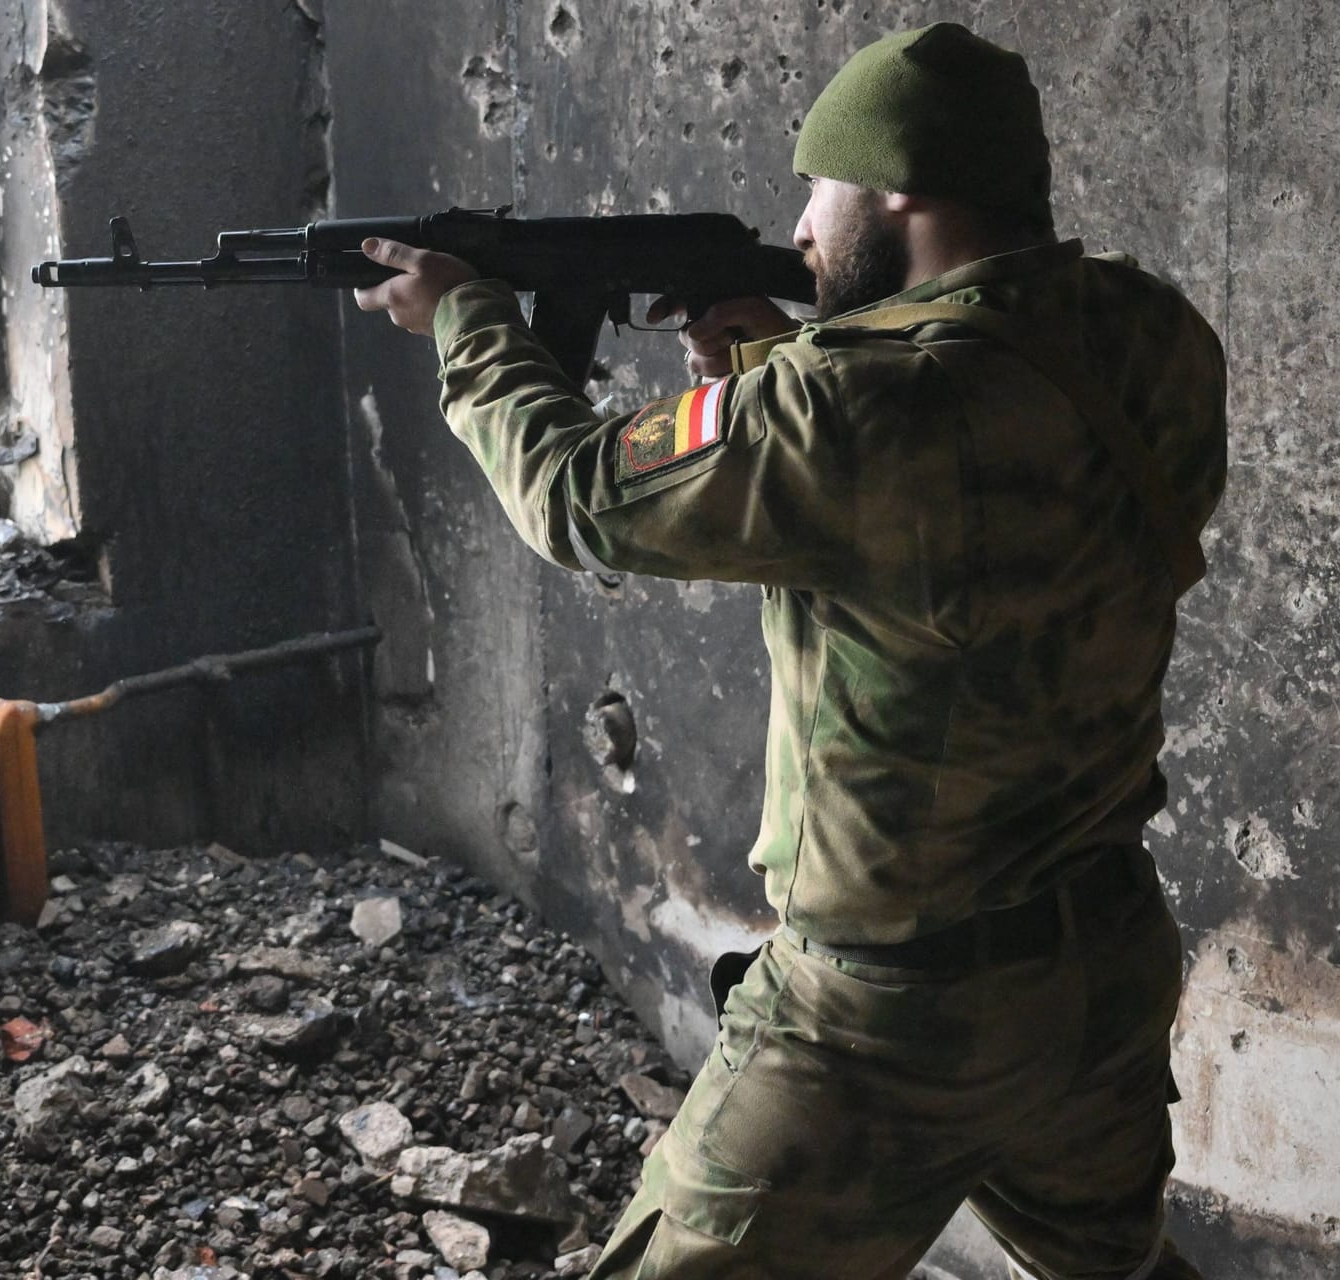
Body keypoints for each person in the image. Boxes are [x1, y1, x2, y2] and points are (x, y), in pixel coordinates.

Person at [353, 21, 1226, 1280]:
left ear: (902, 189)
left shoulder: (849, 404)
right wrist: (771, 361)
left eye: (818, 188)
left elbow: (578, 494)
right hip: (1091, 967)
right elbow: (954, 501)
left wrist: (467, 322)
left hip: (886, 1017)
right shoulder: (1151, 334)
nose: (804, 229)